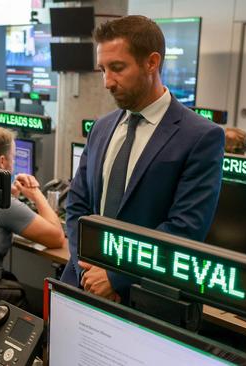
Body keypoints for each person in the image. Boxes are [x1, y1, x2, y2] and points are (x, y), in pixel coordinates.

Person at [62, 15, 225, 302]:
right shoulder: (102, 127)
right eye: (102, 69)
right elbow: (77, 205)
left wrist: (115, 277)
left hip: (146, 298)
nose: (107, 82)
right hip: (81, 285)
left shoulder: (201, 136)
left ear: (152, 62)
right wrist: (86, 269)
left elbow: (183, 231)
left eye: (117, 68)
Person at [0, 126, 65, 326]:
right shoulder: (1, 202)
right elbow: (56, 237)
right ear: (3, 161)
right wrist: (36, 193)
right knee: (37, 317)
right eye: (13, 157)